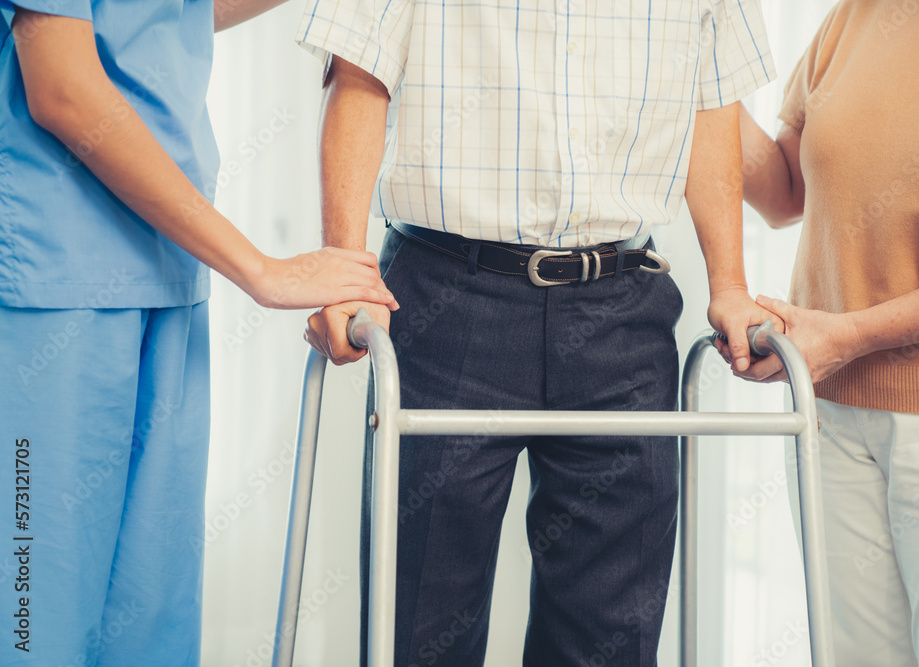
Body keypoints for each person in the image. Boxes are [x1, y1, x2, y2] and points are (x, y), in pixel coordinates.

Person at [300, 2, 781, 664]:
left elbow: (711, 101)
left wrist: (729, 281)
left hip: (623, 311)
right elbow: (359, 70)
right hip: (447, 299)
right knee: (420, 626)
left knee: (608, 639)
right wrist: (345, 267)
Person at [0, 0, 397, 664]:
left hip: (167, 272)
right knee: (37, 623)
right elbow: (62, 85)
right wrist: (261, 270)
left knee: (150, 628)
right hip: (57, 283)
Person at [732, 1, 919, 665]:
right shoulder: (860, 14)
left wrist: (849, 334)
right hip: (830, 407)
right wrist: (691, 71)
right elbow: (783, 190)